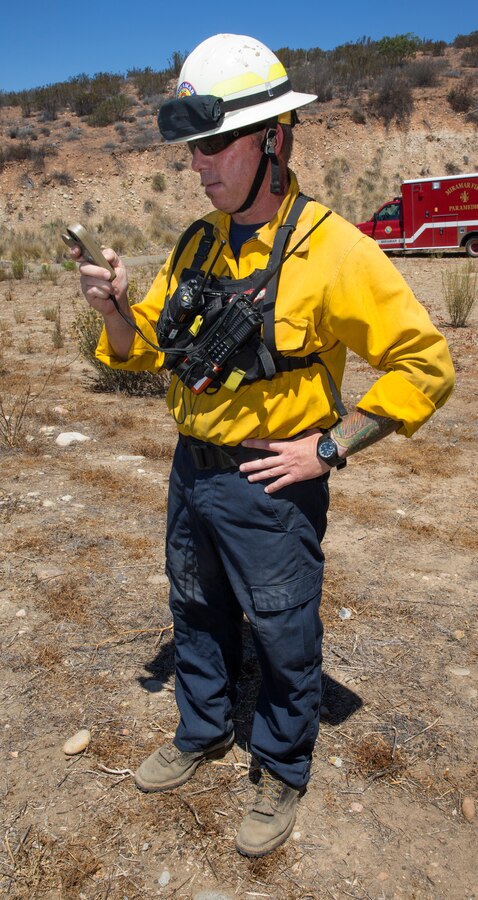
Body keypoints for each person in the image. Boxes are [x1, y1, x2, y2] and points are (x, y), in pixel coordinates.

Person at [73, 34, 454, 858]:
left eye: (213, 145)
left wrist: (332, 448)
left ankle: (281, 765)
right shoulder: (197, 242)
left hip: (273, 482)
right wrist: (112, 305)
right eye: (192, 149)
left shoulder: (336, 250)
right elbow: (143, 347)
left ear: (272, 139)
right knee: (195, 609)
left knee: (284, 632)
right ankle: (202, 729)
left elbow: (426, 362)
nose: (199, 165)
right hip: (192, 469)